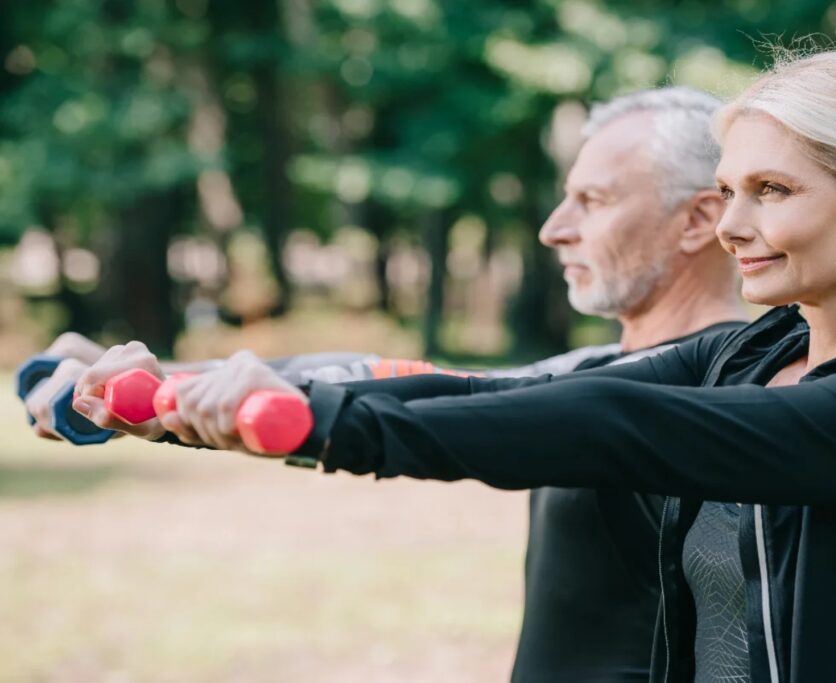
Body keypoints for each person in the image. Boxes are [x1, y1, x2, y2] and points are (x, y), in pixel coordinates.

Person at [122, 46, 836, 681]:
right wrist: (197, 405)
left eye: (772, 191)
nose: (734, 224)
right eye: (731, 190)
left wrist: (331, 425)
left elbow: (618, 428)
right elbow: (525, 394)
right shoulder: (754, 351)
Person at [44, 87, 748, 681]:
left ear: (698, 220)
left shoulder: (738, 397)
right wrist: (166, 381)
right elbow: (419, 381)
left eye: (591, 201)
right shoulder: (595, 371)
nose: (552, 228)